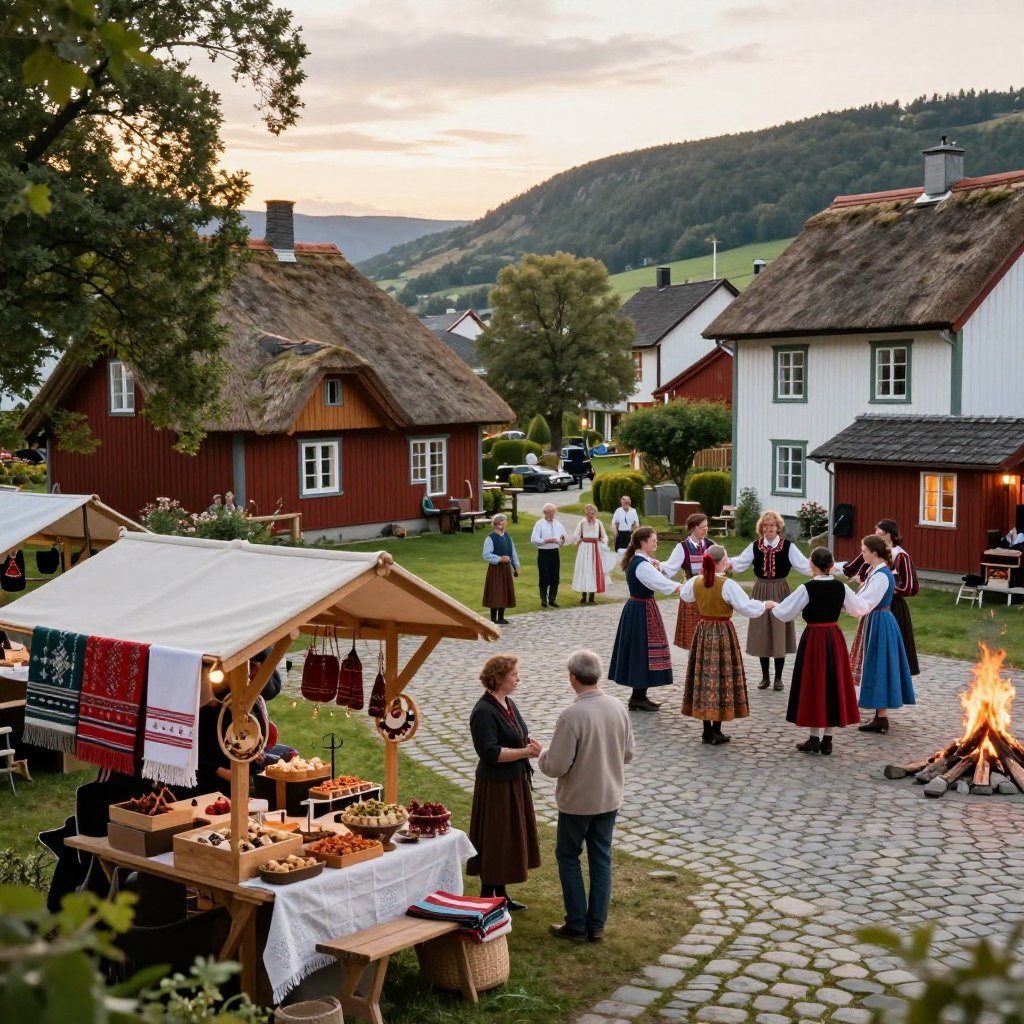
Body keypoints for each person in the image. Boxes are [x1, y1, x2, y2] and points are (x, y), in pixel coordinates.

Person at [538, 649, 635, 943]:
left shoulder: (572, 715)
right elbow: (628, 754)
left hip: (578, 802)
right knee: (601, 858)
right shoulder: (618, 707)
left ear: (572, 678)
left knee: (568, 857)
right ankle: (597, 926)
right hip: (609, 797)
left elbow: (556, 766)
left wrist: (540, 752)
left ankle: (577, 923)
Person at [770, 547, 870, 754]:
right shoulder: (840, 587)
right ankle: (827, 740)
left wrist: (773, 606)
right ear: (831, 565)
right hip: (833, 637)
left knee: (814, 684)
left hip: (814, 639)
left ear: (812, 565)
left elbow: (784, 612)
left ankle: (814, 738)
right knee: (832, 684)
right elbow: (858, 609)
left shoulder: (807, 588)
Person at [467, 654, 541, 911]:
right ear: (498, 678)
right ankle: (488, 894)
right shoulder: (483, 712)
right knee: (496, 837)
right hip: (496, 785)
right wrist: (524, 753)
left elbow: (519, 733)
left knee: (508, 837)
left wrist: (530, 745)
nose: (517, 678)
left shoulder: (507, 702)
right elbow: (489, 753)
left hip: (513, 781)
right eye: (513, 675)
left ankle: (501, 893)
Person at [680, 545, 768, 744]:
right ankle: (716, 731)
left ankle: (707, 730)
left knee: (705, 677)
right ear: (720, 562)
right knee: (721, 676)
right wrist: (764, 605)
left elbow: (686, 596)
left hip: (702, 631)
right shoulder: (727, 585)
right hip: (721, 633)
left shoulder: (697, 581)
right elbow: (746, 607)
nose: (728, 561)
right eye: (726, 558)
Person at [729, 510, 811, 691]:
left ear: (778, 527)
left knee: (779, 632)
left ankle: (779, 678)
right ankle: (765, 677)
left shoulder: (788, 546)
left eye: (772, 525)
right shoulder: (755, 546)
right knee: (762, 632)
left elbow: (804, 565)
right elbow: (739, 563)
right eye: (765, 526)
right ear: (761, 528)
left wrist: (825, 567)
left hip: (780, 590)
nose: (769, 529)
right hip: (761, 590)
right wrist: (722, 562)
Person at [608, 526, 682, 711]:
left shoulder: (643, 561)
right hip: (641, 610)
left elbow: (660, 573)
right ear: (643, 542)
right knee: (641, 651)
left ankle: (640, 696)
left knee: (643, 651)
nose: (656, 542)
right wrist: (681, 587)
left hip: (642, 607)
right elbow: (661, 584)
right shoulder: (641, 565)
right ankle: (637, 697)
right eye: (653, 540)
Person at [849, 534, 915, 734]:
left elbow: (865, 602)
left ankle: (881, 717)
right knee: (877, 664)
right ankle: (880, 715)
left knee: (879, 665)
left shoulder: (881, 575)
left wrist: (845, 598)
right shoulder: (876, 571)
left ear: (874, 553)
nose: (862, 554)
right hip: (875, 620)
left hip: (879, 622)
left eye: (864, 551)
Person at [840, 518, 920, 676]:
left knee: (892, 648)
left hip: (892, 606)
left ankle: (892, 680)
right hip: (871, 605)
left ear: (891, 535)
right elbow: (850, 569)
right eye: (876, 532)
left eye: (881, 533)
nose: (878, 535)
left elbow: (909, 587)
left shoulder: (900, 556)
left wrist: (886, 587)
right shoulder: (872, 553)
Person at [661, 513, 713, 650]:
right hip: (691, 593)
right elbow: (670, 567)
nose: (706, 530)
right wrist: (655, 566)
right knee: (693, 636)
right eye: (703, 527)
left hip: (708, 594)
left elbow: (721, 562)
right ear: (694, 528)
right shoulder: (682, 547)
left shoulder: (710, 545)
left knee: (708, 634)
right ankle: (694, 665)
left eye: (707, 527)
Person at [482, 514, 520, 625]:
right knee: (496, 592)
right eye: (505, 521)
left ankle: (501, 617)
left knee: (504, 591)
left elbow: (512, 552)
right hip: (495, 569)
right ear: (499, 524)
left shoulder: (507, 537)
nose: (506, 523)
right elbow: (486, 555)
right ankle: (493, 618)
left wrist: (516, 566)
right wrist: (499, 559)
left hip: (506, 569)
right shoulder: (490, 538)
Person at [570, 504, 610, 604]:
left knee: (593, 570)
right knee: (584, 569)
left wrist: (602, 542)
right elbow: (575, 535)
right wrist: (580, 540)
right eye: (589, 512)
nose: (590, 515)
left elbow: (604, 536)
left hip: (595, 548)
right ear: (586, 513)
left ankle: (592, 596)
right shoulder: (582, 523)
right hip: (584, 548)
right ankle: (583, 596)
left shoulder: (599, 523)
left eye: (592, 513)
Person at [531, 503, 567, 608]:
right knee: (544, 576)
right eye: (550, 512)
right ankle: (543, 599)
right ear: (545, 512)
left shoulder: (557, 524)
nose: (552, 514)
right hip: (544, 553)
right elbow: (534, 539)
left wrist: (561, 541)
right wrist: (546, 540)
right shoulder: (539, 524)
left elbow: (563, 538)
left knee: (555, 577)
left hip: (554, 551)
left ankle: (552, 599)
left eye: (553, 512)